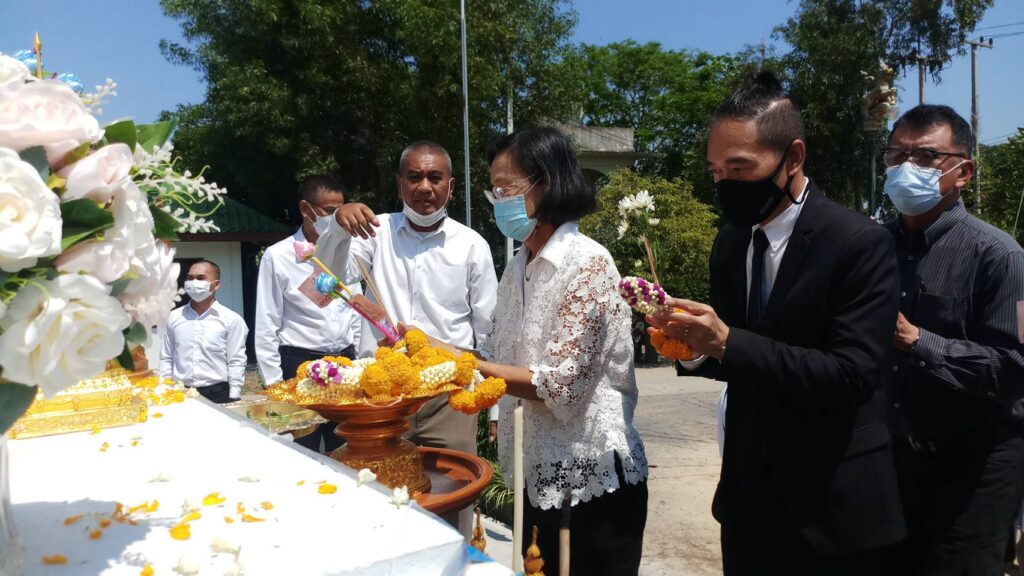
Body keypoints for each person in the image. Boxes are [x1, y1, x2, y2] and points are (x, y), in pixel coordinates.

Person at [647, 71, 904, 575]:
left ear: (793, 158)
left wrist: (727, 342)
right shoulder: (731, 241)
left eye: (740, 168)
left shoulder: (857, 243)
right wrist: (691, 347)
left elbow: (851, 375)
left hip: (833, 507)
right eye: (716, 171)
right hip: (748, 503)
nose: (725, 184)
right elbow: (740, 360)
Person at [474, 126, 648, 575]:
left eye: (506, 189)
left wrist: (467, 366)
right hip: (537, 478)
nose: (498, 202)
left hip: (590, 483)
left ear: (546, 184)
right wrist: (435, 355)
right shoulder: (518, 266)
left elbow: (562, 386)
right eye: (493, 191)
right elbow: (492, 352)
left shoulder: (588, 264)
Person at [315, 140, 497, 532]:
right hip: (382, 396)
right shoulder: (372, 232)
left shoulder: (472, 245)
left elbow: (488, 331)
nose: (424, 187)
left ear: (451, 186)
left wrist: (494, 407)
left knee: (452, 499)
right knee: (377, 500)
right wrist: (337, 227)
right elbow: (324, 283)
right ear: (400, 184)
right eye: (414, 177)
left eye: (435, 177)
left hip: (447, 394)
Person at [881, 104, 1024, 575]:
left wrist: (916, 340)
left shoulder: (1004, 258)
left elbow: (1016, 368)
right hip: (891, 462)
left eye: (925, 157)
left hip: (975, 471)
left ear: (963, 172)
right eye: (896, 155)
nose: (906, 168)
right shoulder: (871, 247)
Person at [255, 175, 362, 453]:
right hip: (299, 366)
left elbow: (355, 310)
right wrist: (275, 384)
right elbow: (267, 322)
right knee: (301, 450)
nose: (337, 219)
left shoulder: (348, 251)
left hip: (345, 364)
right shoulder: (278, 256)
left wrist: (359, 361)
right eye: (330, 212)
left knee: (349, 449)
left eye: (340, 211)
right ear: (306, 209)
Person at [159, 260, 248, 404]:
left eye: (200, 278)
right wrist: (165, 387)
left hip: (219, 393)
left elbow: (236, 360)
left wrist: (234, 394)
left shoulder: (231, 319)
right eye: (190, 278)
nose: (193, 283)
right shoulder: (174, 317)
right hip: (181, 393)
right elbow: (167, 357)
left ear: (216, 284)